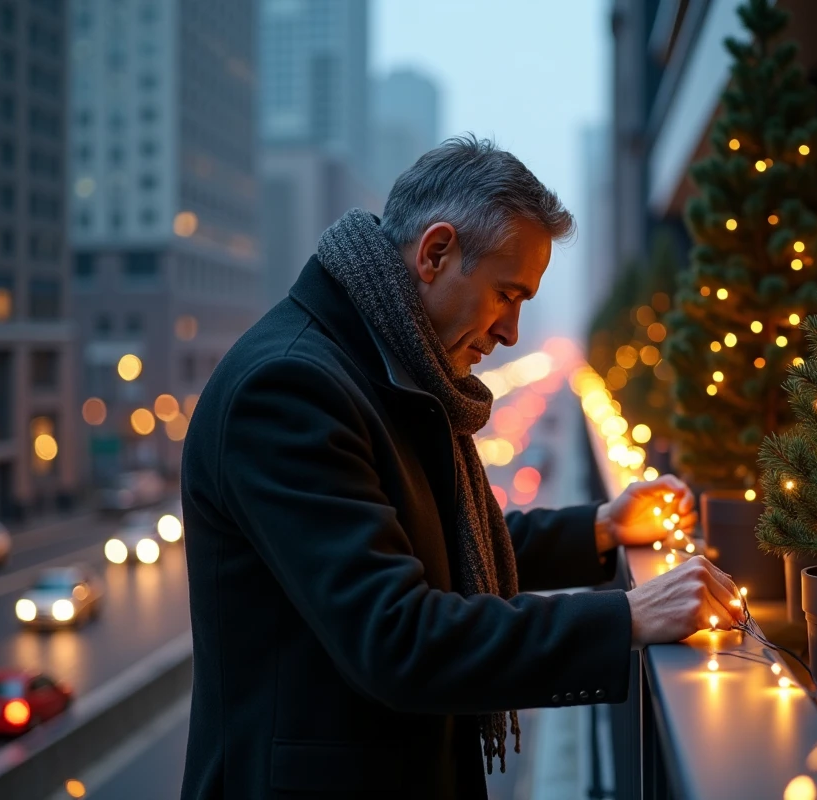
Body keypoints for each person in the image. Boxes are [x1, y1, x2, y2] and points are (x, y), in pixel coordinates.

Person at [179, 135, 745, 799]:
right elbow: (398, 637)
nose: (510, 331)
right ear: (435, 252)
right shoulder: (288, 388)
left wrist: (598, 529)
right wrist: (627, 618)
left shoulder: (381, 363)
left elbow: (443, 544)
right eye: (507, 293)